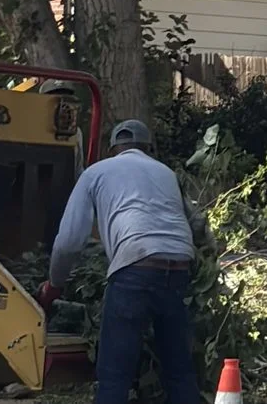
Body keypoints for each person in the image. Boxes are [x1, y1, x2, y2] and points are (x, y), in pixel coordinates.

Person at [37, 119, 200, 404]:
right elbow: (196, 224)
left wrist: (55, 283)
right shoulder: (166, 173)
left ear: (112, 149)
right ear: (149, 148)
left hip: (134, 268)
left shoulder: (95, 173)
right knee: (178, 369)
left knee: (114, 373)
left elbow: (69, 241)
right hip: (179, 266)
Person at [40, 79, 85, 178]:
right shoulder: (30, 131)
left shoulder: (76, 133)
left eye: (67, 100)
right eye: (56, 101)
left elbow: (78, 170)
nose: (62, 106)